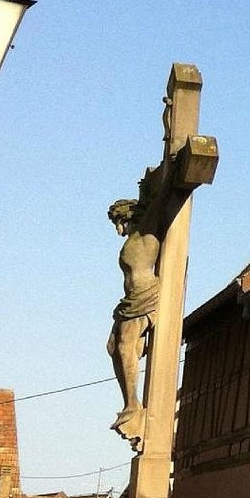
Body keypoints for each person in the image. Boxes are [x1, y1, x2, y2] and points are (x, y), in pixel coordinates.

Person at [107, 181, 164, 447]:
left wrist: (172, 168)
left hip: (145, 296)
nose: (118, 229)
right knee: (112, 347)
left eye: (120, 222)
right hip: (128, 302)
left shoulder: (145, 231)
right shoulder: (133, 239)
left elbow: (161, 198)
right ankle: (128, 401)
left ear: (131, 216)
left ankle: (133, 404)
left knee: (125, 346)